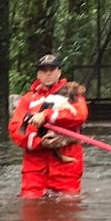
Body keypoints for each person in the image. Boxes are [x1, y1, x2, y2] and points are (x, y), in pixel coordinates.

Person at [8, 54, 89, 198]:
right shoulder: (27, 99)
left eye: (52, 69)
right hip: (35, 168)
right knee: (30, 208)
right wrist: (40, 142)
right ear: (38, 74)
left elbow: (79, 115)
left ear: (59, 72)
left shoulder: (72, 95)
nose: (48, 72)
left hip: (66, 166)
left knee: (67, 210)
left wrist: (46, 114)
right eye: (44, 69)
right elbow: (15, 130)